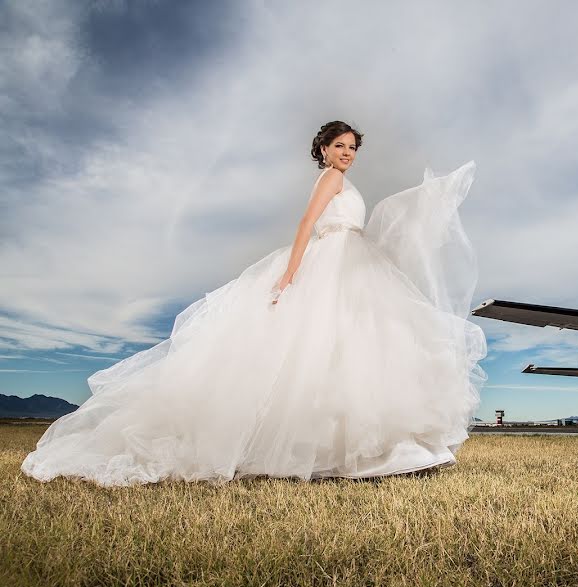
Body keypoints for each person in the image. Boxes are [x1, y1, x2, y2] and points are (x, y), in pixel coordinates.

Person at [20, 120, 487, 486]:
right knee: (324, 351)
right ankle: (352, 452)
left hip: (355, 261)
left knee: (356, 352)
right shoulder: (329, 178)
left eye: (352, 148)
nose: (346, 154)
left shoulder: (345, 182)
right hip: (330, 261)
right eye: (339, 146)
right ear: (323, 150)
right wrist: (290, 274)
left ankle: (389, 450)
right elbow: (307, 223)